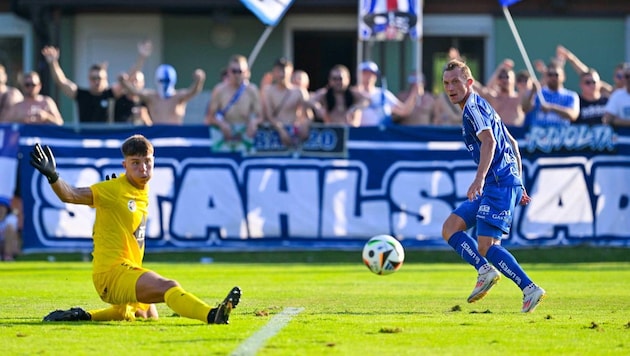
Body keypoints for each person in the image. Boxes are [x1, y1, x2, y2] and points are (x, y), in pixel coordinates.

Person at [29, 135, 241, 322]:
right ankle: (212, 315)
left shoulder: (141, 189)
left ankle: (83, 315)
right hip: (112, 274)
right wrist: (53, 176)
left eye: (147, 162)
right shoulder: (112, 189)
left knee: (146, 315)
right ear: (125, 165)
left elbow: (118, 211)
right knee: (168, 286)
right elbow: (71, 195)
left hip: (128, 268)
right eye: (135, 163)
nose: (143, 169)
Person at [440, 59, 545, 313]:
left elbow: (490, 143)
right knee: (450, 227)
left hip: (496, 184)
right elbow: (513, 144)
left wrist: (479, 178)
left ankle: (529, 288)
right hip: (499, 183)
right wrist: (519, 183)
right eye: (446, 83)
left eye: (456, 81)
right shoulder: (480, 105)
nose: (451, 87)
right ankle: (485, 270)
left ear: (469, 82)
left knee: (487, 246)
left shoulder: (473, 109)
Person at [41, 46, 124, 123]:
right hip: (84, 137)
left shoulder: (111, 94)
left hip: (108, 137)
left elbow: (128, 83)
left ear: (105, 79)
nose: (97, 81)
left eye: (99, 78)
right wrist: (53, 63)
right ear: (88, 79)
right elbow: (62, 81)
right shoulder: (81, 94)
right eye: (93, 78)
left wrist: (137, 62)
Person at [119, 64, 205, 125]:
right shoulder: (152, 97)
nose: (164, 84)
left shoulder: (178, 97)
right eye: (162, 81)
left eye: (167, 81)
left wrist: (199, 80)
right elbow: (134, 91)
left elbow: (193, 91)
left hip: (175, 136)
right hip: (158, 136)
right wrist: (123, 82)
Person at [205, 55, 262, 141]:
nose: (236, 75)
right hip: (223, 136)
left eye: (239, 71)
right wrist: (221, 124)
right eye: (234, 71)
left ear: (246, 72)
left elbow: (261, 116)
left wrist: (253, 123)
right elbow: (210, 117)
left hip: (245, 135)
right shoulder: (219, 90)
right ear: (228, 72)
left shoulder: (252, 90)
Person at [261, 58, 310, 147]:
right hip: (274, 133)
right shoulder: (268, 91)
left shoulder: (299, 92)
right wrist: (281, 130)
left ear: (291, 72)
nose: (281, 74)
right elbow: (269, 115)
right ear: (274, 72)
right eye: (278, 71)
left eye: (284, 71)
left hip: (294, 134)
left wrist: (305, 124)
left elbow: (307, 115)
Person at [355, 61, 418, 126]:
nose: (369, 77)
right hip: (361, 134)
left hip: (381, 135)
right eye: (365, 73)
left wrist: (414, 92)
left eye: (371, 74)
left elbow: (404, 111)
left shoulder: (383, 94)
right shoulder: (352, 94)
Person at [521, 62, 579, 127]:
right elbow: (525, 109)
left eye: (556, 75)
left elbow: (573, 115)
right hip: (538, 133)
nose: (553, 77)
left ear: (563, 77)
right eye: (550, 75)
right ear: (546, 76)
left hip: (561, 134)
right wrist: (532, 92)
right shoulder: (537, 93)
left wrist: (552, 108)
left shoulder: (571, 96)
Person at [473, 59, 525, 127]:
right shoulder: (494, 97)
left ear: (513, 80)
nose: (503, 79)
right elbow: (477, 86)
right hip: (499, 133)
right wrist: (499, 69)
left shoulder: (519, 98)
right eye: (500, 77)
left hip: (517, 134)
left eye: (506, 77)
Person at [602, 63, 630, 127]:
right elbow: (607, 119)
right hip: (623, 135)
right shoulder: (617, 95)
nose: (629, 79)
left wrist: (618, 120)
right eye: (627, 76)